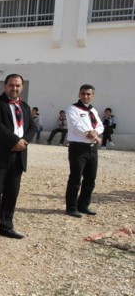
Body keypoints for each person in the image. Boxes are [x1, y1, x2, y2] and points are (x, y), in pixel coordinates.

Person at [0, 74, 36, 241]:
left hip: (18, 156)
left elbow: (32, 126)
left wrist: (24, 142)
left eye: (17, 85)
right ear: (5, 86)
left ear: (22, 87)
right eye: (11, 85)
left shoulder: (24, 106)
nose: (14, 88)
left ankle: (6, 226)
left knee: (12, 192)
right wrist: (15, 141)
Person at [64, 84, 104, 218]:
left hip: (92, 148)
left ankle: (83, 205)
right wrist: (93, 135)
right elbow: (77, 126)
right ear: (79, 94)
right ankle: (71, 207)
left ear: (93, 96)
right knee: (75, 178)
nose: (85, 96)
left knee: (90, 178)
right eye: (83, 94)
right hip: (78, 147)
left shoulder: (93, 111)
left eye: (88, 94)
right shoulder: (72, 109)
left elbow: (100, 125)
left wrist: (95, 132)